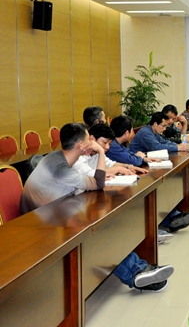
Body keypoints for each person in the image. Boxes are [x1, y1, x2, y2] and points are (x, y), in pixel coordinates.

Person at [20, 123, 173, 292]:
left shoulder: (58, 157)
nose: (91, 142)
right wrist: (100, 151)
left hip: (53, 212)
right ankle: (136, 274)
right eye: (89, 140)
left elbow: (90, 182)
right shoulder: (61, 168)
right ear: (80, 145)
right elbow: (98, 183)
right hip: (40, 225)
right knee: (98, 233)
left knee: (103, 223)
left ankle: (138, 267)